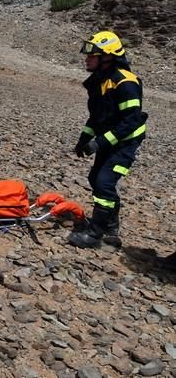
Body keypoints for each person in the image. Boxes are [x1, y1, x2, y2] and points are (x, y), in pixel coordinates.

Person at [68, 31, 147, 249]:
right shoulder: (100, 81)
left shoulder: (126, 83)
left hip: (126, 142)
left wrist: (99, 143)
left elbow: (130, 122)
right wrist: (84, 138)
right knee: (96, 178)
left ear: (107, 57)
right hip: (110, 139)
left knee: (104, 182)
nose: (87, 58)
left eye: (93, 54)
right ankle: (111, 226)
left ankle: (95, 234)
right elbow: (98, 116)